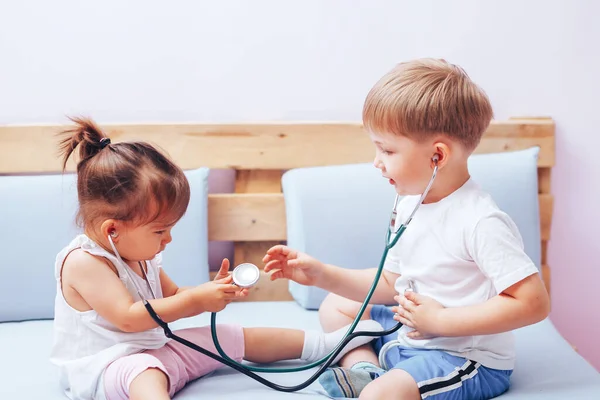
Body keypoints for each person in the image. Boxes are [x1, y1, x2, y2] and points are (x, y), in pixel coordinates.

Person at [263, 58, 550, 400]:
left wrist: (442, 322)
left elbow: (533, 303)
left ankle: (373, 382)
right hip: (411, 331)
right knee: (336, 305)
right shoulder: (411, 201)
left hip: (461, 355)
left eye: (386, 149)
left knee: (379, 397)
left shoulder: (480, 221)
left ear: (437, 157)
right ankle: (363, 369)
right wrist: (321, 274)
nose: (376, 161)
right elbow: (389, 282)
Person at [49, 117, 383, 400]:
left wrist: (212, 292)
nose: (168, 239)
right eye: (159, 231)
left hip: (156, 350)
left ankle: (324, 346)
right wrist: (196, 301)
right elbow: (129, 318)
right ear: (113, 230)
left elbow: (175, 297)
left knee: (226, 335)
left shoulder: (137, 255)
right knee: (144, 373)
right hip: (106, 369)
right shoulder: (84, 263)